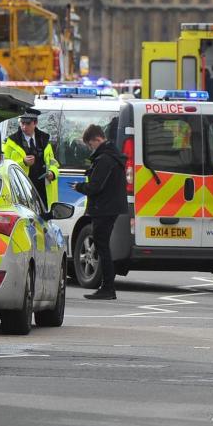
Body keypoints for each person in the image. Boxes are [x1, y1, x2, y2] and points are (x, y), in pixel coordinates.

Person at [75, 121, 128, 300]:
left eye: (91, 145)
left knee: (102, 247)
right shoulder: (112, 155)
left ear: (97, 139)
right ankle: (107, 287)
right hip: (109, 207)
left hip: (103, 208)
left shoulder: (105, 158)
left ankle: (108, 288)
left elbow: (96, 186)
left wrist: (80, 186)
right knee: (102, 246)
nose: (91, 149)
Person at [3, 109, 60, 206]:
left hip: (43, 191)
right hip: (22, 190)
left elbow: (53, 163)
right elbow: (4, 165)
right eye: (22, 123)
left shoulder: (44, 140)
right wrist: (23, 162)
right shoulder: (11, 142)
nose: (24, 127)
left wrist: (53, 173)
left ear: (35, 123)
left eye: (28, 123)